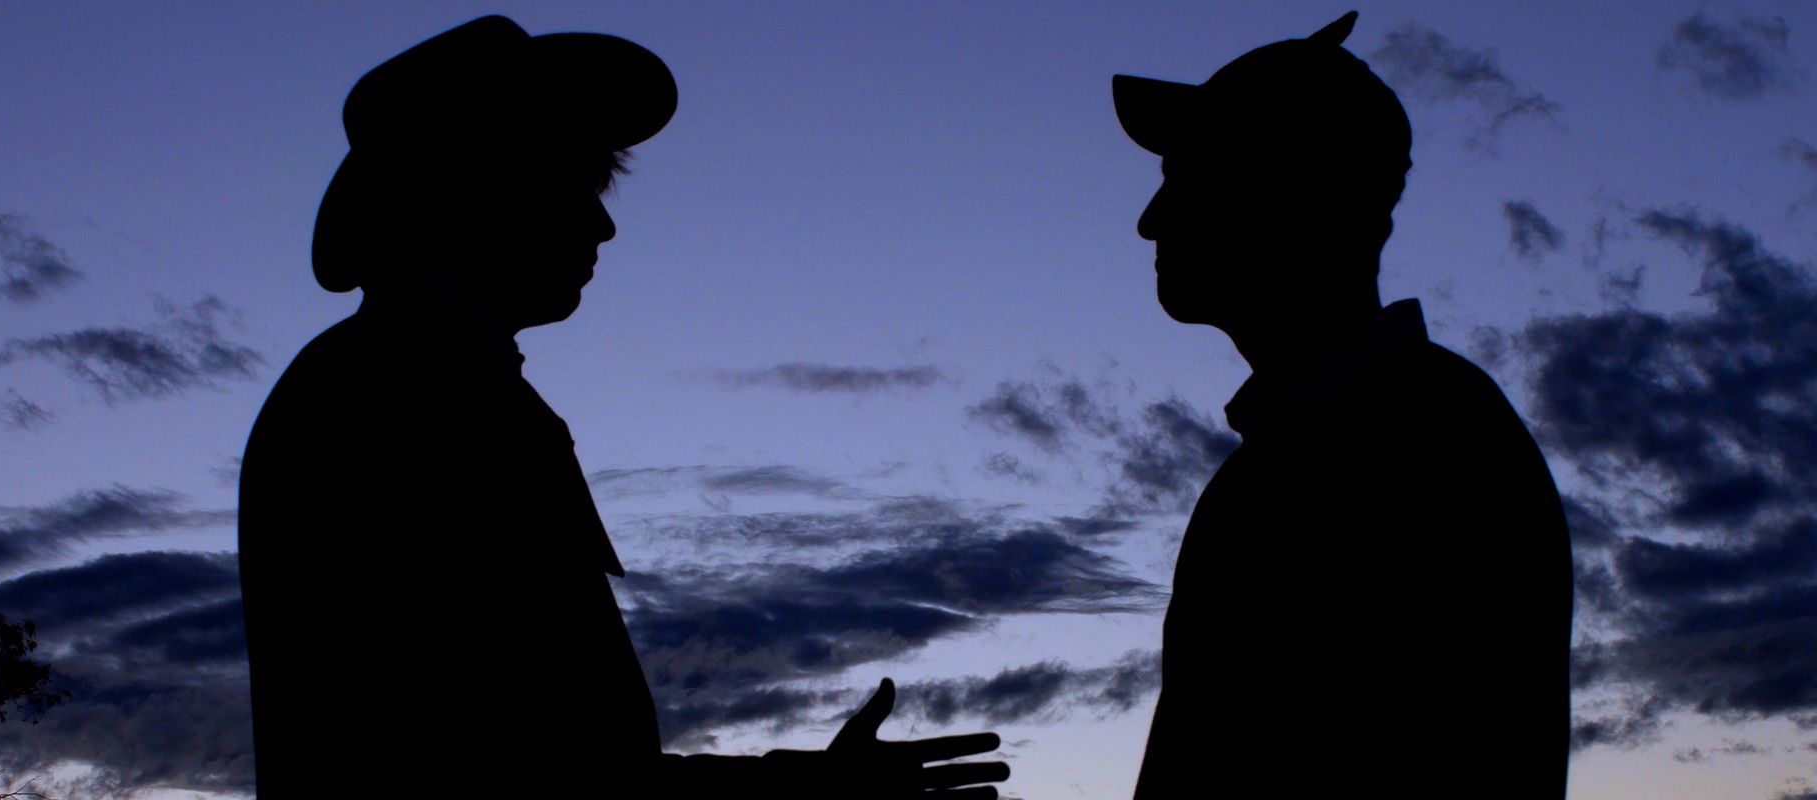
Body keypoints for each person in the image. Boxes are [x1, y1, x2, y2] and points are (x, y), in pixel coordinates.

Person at [238, 16, 1005, 799]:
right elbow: (529, 772)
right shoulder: (415, 397)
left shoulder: (407, 381)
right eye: (572, 181)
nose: (602, 222)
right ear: (477, 187)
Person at [1111, 12, 1572, 799]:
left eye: (1185, 177)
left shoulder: (1419, 443)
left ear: (1282, 191)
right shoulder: (1352, 435)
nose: (1151, 219)